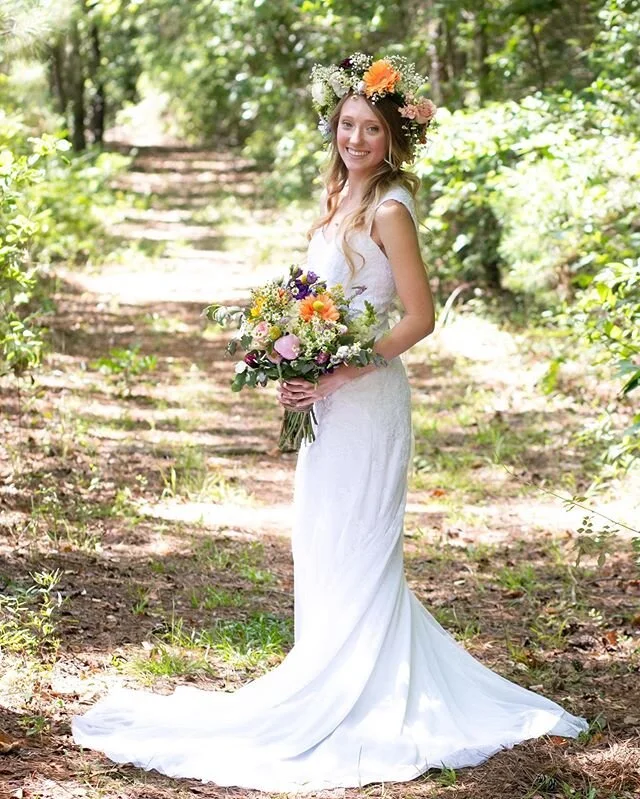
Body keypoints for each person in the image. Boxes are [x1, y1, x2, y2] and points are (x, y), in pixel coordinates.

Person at [72, 53, 588, 792]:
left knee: (361, 544)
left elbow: (419, 317)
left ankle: (359, 694)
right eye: (347, 125)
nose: (356, 138)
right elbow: (323, 302)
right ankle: (325, 668)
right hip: (329, 400)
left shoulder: (389, 209)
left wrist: (342, 370)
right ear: (333, 129)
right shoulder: (341, 194)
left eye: (371, 128)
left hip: (369, 402)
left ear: (392, 136)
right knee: (321, 539)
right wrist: (296, 368)